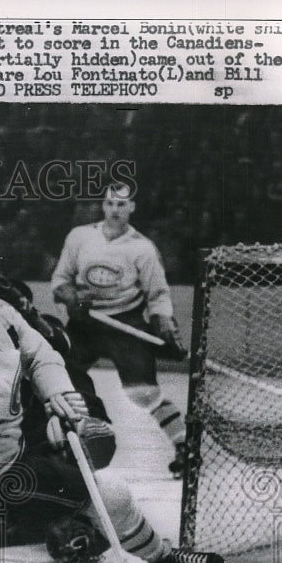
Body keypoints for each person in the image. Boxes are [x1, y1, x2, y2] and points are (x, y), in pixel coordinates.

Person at [0, 270, 224, 563]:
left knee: (104, 491)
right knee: (107, 493)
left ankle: (163, 557)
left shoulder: (4, 316)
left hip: (12, 464)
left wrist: (58, 393)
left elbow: (40, 354)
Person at [51, 182, 191, 478]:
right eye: (110, 204)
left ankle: (184, 447)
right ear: (104, 206)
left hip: (126, 323)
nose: (115, 210)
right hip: (85, 324)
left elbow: (158, 294)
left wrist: (163, 321)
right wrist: (70, 296)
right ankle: (64, 447)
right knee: (60, 378)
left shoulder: (142, 248)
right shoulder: (80, 237)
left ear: (132, 208)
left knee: (144, 392)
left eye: (121, 205)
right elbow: (60, 280)